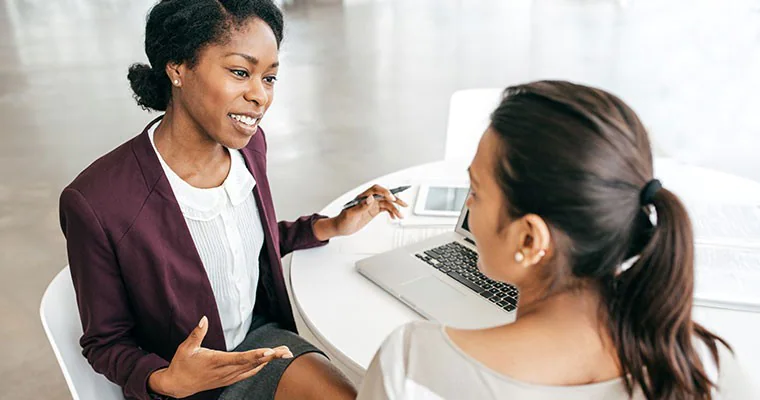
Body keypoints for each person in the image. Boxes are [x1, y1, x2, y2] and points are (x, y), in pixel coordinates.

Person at [58, 1, 407, 399]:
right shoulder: (97, 200)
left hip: (259, 342)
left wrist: (327, 226)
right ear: (178, 68)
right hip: (187, 384)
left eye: (270, 78)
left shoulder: (249, 147)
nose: (260, 97)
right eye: (241, 72)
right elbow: (105, 342)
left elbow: (236, 245)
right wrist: (166, 379)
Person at [357, 81, 756, 399]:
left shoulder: (412, 366)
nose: (467, 208)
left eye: (475, 192)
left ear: (530, 239)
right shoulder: (706, 367)